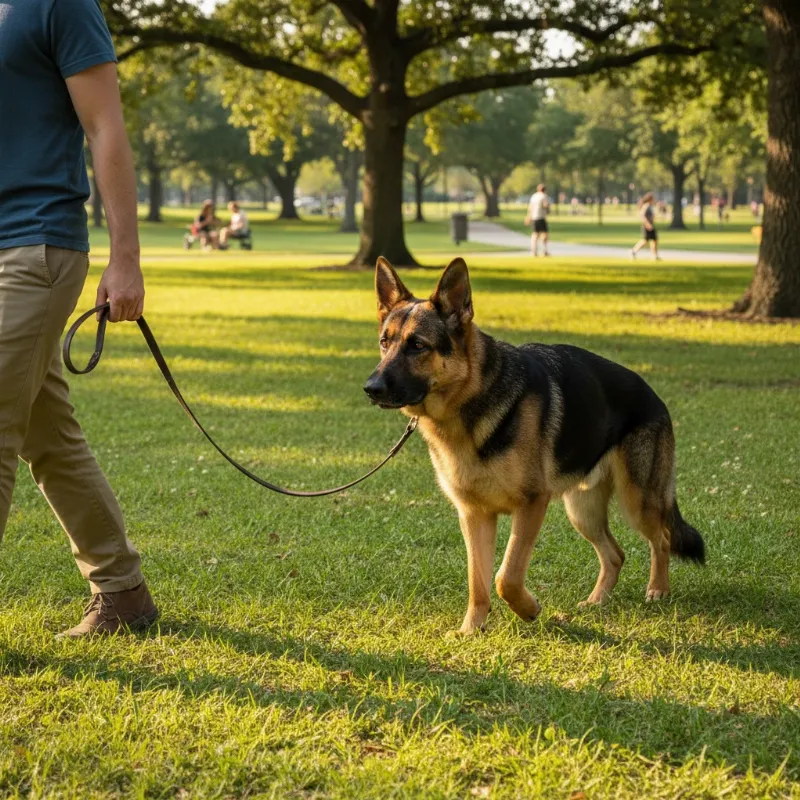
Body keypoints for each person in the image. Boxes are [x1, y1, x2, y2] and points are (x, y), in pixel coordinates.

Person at [0, 0, 158, 636]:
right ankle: (123, 594)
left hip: (35, 244)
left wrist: (126, 259)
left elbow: (105, 128)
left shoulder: (59, 4)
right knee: (47, 434)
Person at [630, 192, 660, 261]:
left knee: (654, 240)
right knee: (645, 241)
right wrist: (647, 224)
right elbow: (642, 215)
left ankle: (654, 256)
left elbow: (652, 216)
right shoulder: (646, 206)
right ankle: (633, 251)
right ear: (650, 199)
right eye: (653, 199)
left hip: (651, 225)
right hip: (647, 226)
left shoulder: (650, 206)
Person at [524, 183, 550, 256]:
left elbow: (530, 207)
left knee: (535, 234)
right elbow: (545, 205)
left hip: (534, 217)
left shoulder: (534, 196)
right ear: (544, 190)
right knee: (544, 234)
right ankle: (544, 251)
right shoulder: (544, 196)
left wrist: (528, 217)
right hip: (541, 217)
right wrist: (548, 208)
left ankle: (534, 251)